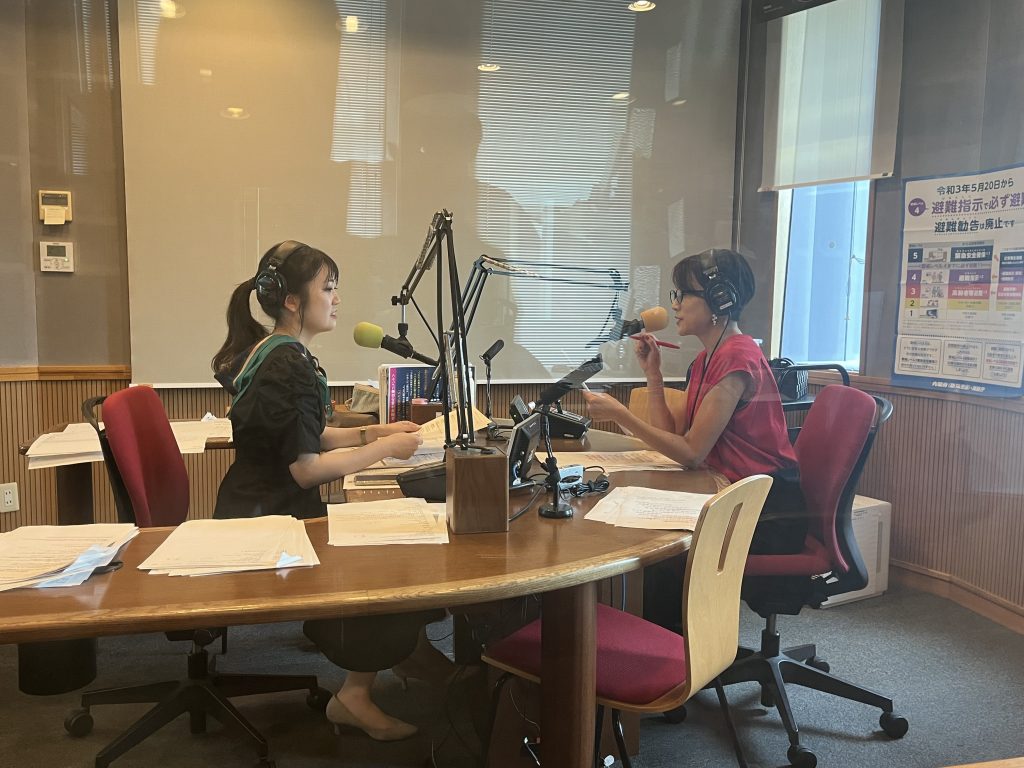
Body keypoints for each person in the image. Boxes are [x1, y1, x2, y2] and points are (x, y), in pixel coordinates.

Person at [211, 240, 453, 742]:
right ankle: (355, 695)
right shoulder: (287, 363)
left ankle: (409, 655)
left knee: (394, 543)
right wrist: (385, 450)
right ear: (292, 301)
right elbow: (306, 470)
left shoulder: (275, 351)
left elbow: (309, 436)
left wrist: (374, 432)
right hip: (269, 523)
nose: (337, 299)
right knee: (389, 561)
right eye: (328, 288)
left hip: (259, 507)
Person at [581, 248, 805, 633]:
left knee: (660, 551)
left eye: (684, 294)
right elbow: (673, 438)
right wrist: (653, 374)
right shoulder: (706, 359)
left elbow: (691, 453)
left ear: (720, 300)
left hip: (766, 510)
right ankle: (658, 649)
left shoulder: (737, 358)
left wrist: (621, 414)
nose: (675, 304)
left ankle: (673, 656)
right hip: (730, 492)